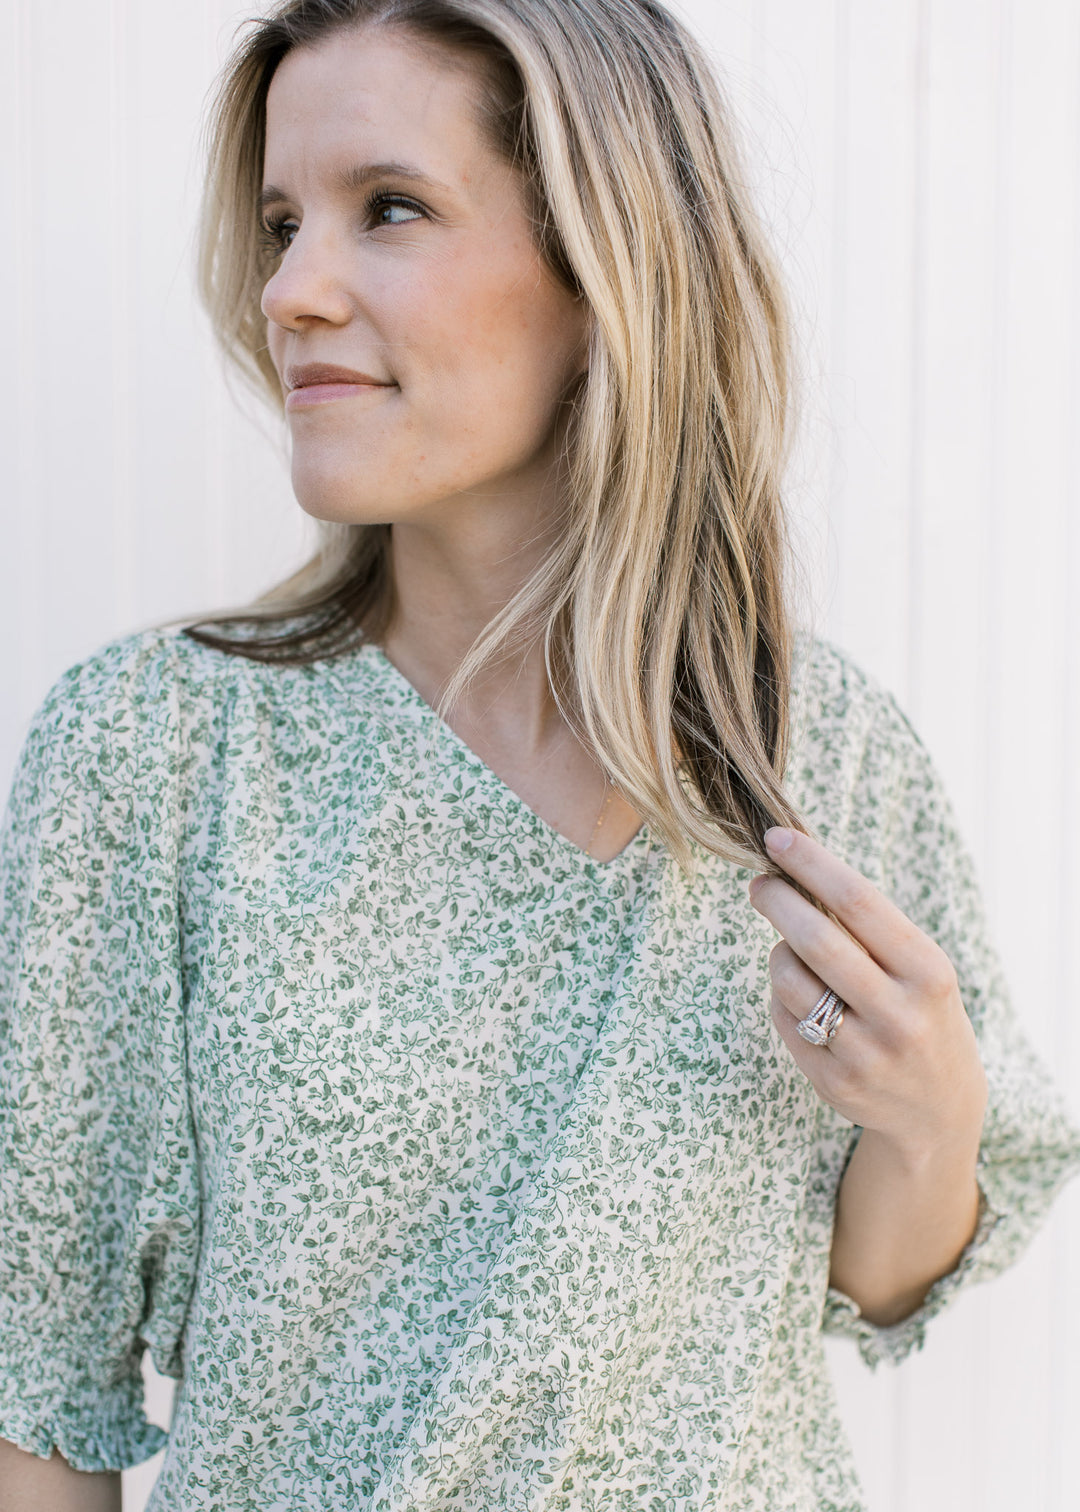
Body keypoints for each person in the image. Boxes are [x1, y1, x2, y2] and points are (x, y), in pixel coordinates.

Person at [1, 1, 1077, 1508]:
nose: (292, 290)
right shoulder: (155, 757)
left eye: (389, 209)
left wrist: (933, 1119)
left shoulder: (817, 750)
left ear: (602, 271)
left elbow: (874, 1287)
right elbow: (38, 1397)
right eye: (278, 221)